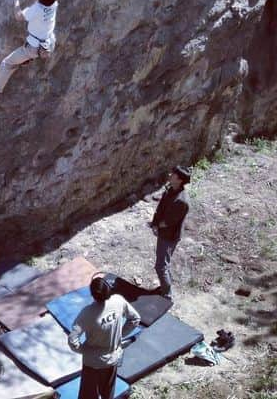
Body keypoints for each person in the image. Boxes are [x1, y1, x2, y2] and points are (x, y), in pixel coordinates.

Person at [67, 273, 142, 399]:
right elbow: (135, 319)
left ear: (93, 294)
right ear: (108, 289)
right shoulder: (118, 301)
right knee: (108, 394)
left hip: (92, 364)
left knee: (88, 396)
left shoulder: (87, 313)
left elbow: (72, 340)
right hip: (112, 359)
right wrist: (119, 335)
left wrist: (84, 350)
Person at [148, 165, 190, 299]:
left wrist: (156, 226)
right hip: (164, 232)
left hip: (169, 236)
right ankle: (166, 286)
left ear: (180, 180)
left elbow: (168, 222)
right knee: (164, 263)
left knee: (160, 266)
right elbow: (161, 209)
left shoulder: (181, 201)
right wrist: (154, 223)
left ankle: (167, 295)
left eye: (174, 175)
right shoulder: (171, 190)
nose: (170, 175)